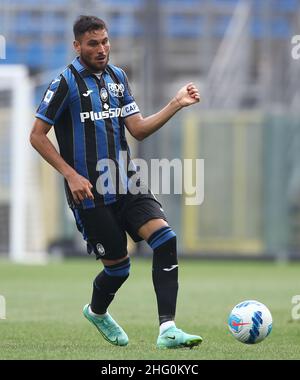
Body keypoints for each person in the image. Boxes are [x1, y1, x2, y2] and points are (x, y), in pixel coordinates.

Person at [30, 15, 202, 349]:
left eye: (105, 41)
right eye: (93, 43)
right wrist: (70, 174)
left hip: (127, 181)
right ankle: (97, 311)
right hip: (90, 193)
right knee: (118, 270)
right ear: (77, 46)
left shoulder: (118, 77)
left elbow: (136, 128)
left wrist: (176, 104)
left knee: (165, 240)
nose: (102, 49)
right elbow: (37, 136)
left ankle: (168, 329)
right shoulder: (64, 83)